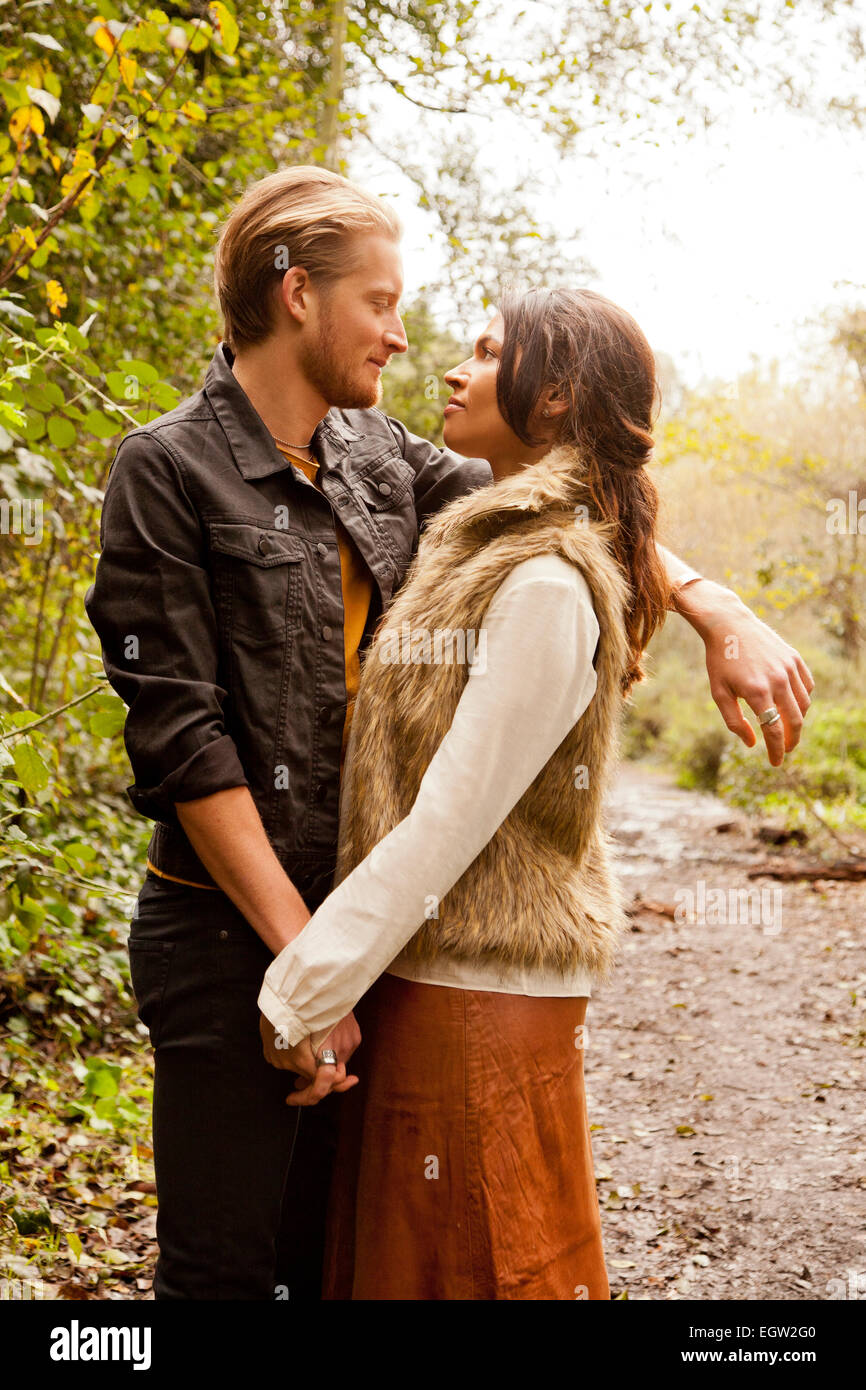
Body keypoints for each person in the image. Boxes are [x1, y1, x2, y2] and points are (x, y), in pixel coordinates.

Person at [85, 165, 813, 1301]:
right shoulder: (165, 470)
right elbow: (186, 741)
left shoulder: (379, 456)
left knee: (325, 1271)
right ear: (295, 295)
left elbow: (566, 499)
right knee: (220, 1274)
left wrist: (711, 603)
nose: (399, 334)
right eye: (378, 301)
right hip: (232, 939)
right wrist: (302, 965)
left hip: (360, 939)